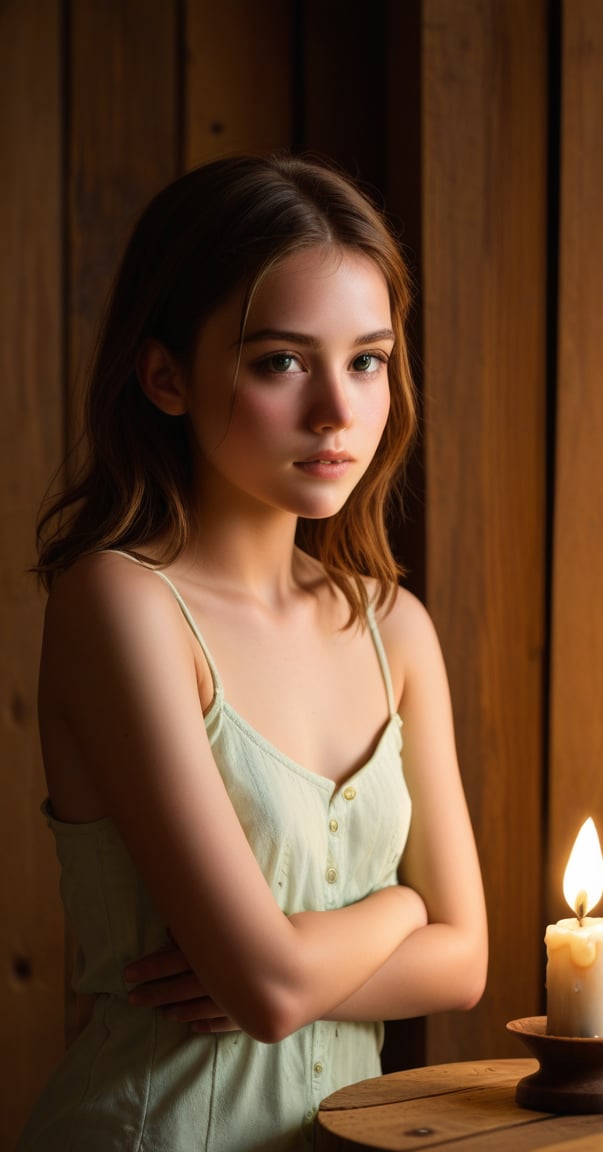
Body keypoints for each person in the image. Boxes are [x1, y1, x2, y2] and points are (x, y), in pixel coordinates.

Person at [19, 154, 487, 1151]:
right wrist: (407, 904)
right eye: (281, 360)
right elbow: (271, 991)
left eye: (366, 359)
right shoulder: (119, 603)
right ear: (166, 376)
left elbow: (468, 962)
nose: (337, 411)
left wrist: (291, 960)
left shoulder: (393, 626)